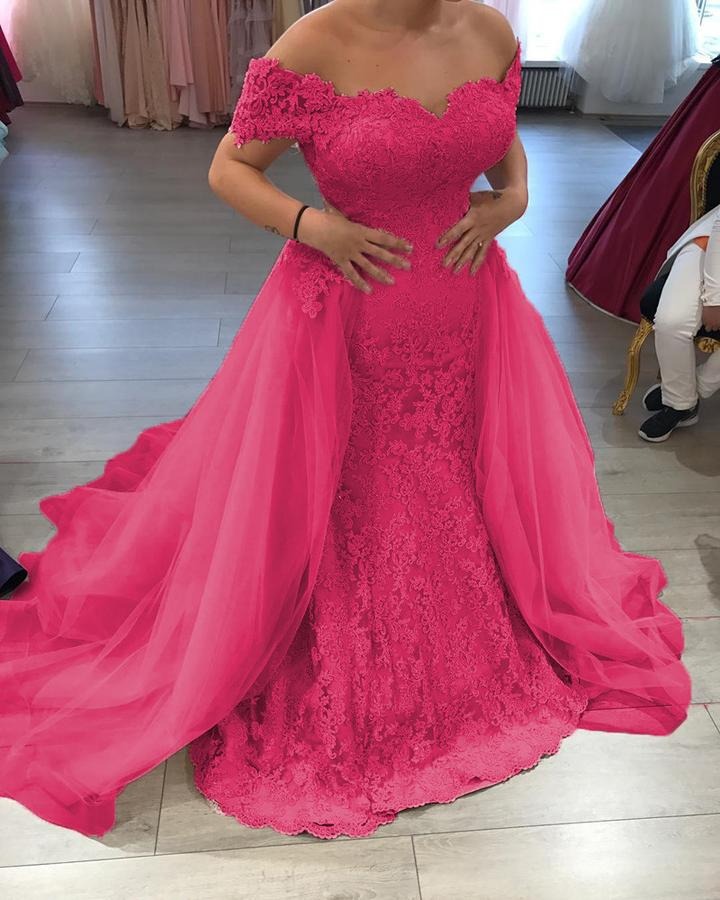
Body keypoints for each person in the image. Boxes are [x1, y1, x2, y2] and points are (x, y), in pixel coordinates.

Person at [0, 0, 691, 841]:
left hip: (465, 305)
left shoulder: (488, 31)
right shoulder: (317, 41)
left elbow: (500, 138)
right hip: (346, 317)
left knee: (454, 471)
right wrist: (311, 225)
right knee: (354, 492)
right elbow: (229, 167)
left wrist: (511, 200)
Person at [639, 202, 720, 441]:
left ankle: (684, 399)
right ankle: (681, 399)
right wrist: (714, 299)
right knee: (671, 322)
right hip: (710, 244)